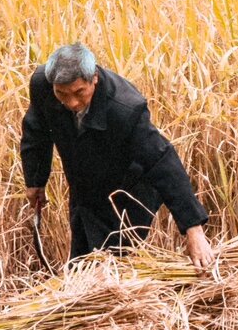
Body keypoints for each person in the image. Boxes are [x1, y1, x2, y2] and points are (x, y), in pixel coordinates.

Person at [22, 43, 216, 267]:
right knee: (81, 262)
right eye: (62, 94)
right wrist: (35, 180)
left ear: (94, 78)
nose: (71, 103)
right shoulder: (42, 86)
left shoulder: (125, 109)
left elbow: (161, 160)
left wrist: (194, 229)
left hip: (126, 192)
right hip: (84, 186)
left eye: (79, 92)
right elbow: (36, 129)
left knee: (110, 266)